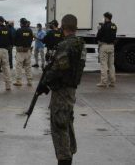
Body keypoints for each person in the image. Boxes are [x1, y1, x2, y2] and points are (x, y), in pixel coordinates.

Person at [37, 14, 86, 165]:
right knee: (66, 124)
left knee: (59, 127)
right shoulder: (80, 44)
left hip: (62, 91)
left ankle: (64, 160)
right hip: (71, 90)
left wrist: (44, 83)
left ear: (63, 27)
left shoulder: (65, 45)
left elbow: (59, 68)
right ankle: (69, 155)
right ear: (76, 28)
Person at [96, 12, 117, 87]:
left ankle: (104, 82)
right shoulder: (114, 26)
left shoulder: (104, 26)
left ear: (106, 18)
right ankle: (112, 82)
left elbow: (98, 36)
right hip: (111, 46)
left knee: (103, 64)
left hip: (104, 46)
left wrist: (99, 29)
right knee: (111, 65)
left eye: (104, 17)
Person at [13, 18, 34, 86]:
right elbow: (31, 39)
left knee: (19, 66)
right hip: (27, 50)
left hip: (20, 51)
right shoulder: (30, 30)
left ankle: (18, 81)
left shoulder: (19, 30)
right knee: (28, 66)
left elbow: (15, 40)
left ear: (21, 23)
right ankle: (29, 81)